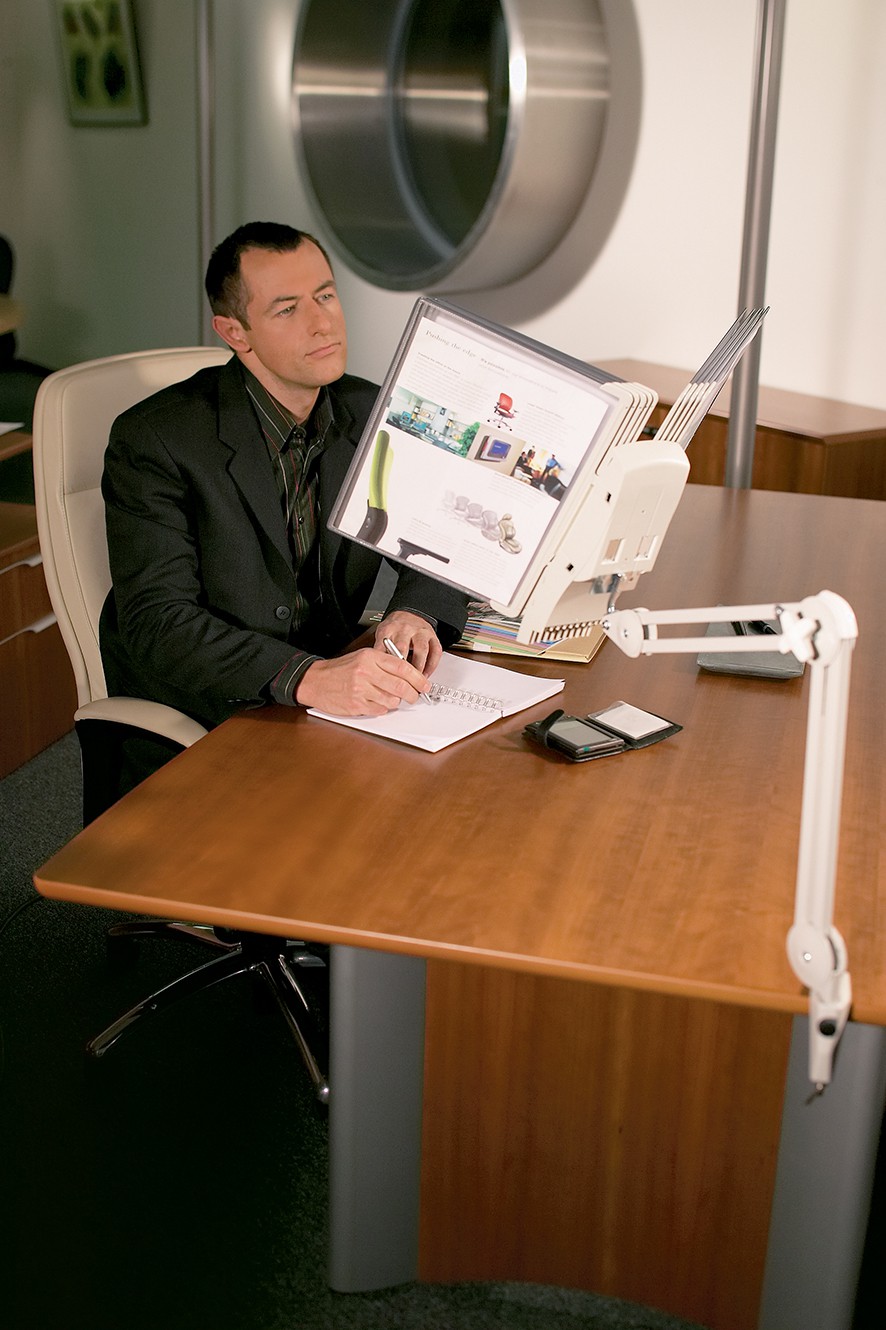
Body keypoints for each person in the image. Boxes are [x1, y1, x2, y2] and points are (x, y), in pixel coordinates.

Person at [99, 221, 469, 790]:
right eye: (287, 309)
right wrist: (308, 677)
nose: (322, 323)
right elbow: (158, 622)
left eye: (325, 296)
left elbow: (434, 540)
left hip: (329, 690)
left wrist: (414, 612)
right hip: (215, 700)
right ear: (235, 333)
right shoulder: (155, 440)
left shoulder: (370, 409)